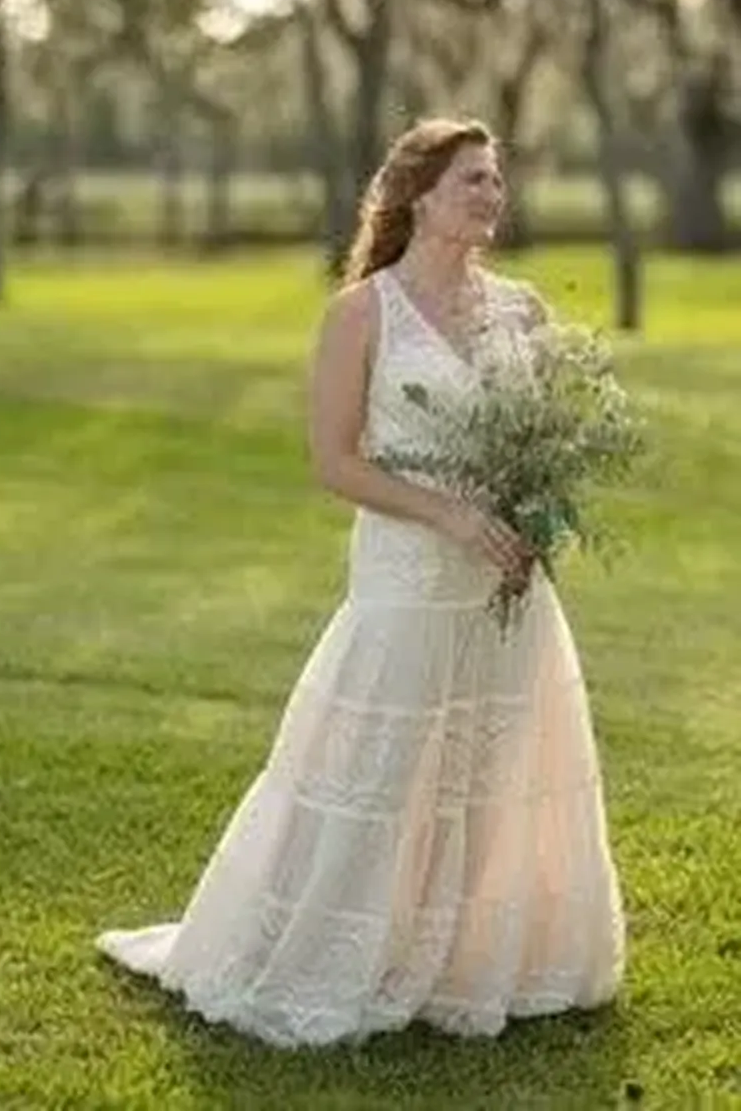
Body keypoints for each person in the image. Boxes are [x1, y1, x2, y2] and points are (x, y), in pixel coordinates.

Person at [95, 117, 626, 1048]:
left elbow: (541, 445)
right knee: (378, 773)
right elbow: (335, 462)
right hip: (408, 576)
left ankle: (466, 958)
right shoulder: (361, 314)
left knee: (492, 770)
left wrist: (537, 517)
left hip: (504, 583)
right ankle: (335, 950)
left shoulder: (525, 312)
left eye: (496, 179)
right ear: (417, 195)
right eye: (472, 179)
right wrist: (448, 515)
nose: (492, 195)